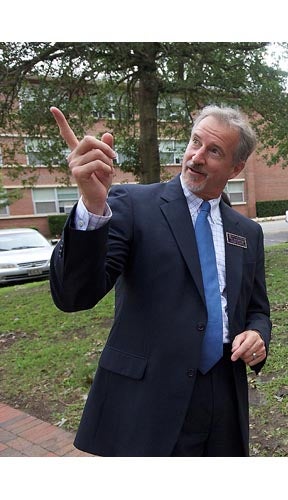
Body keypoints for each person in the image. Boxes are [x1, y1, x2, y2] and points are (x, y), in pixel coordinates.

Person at [49, 104, 272, 457]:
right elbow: (75, 295)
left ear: (236, 167)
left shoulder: (246, 232)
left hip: (223, 396)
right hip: (149, 399)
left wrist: (258, 335)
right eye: (195, 142)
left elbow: (257, 309)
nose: (196, 157)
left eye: (213, 151)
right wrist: (92, 206)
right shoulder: (133, 205)